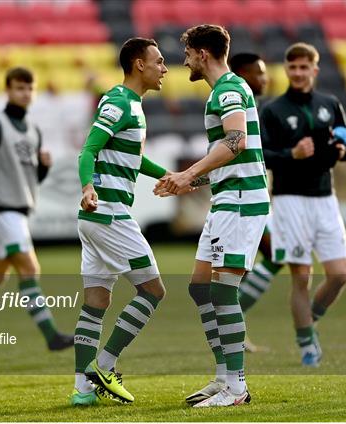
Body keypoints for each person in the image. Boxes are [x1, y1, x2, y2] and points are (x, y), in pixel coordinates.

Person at [155, 25, 269, 407]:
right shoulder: (224, 91)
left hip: (240, 201)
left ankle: (236, 388)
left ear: (203, 53)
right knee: (200, 286)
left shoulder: (230, 90)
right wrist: (187, 180)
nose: (183, 59)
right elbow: (228, 154)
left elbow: (236, 143)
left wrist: (189, 173)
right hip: (227, 197)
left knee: (222, 289)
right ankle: (223, 378)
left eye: (187, 52)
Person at [71, 37, 169, 407]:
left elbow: (133, 159)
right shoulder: (119, 102)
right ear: (139, 65)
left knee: (96, 302)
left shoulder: (133, 107)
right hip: (109, 213)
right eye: (159, 62)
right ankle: (106, 365)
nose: (164, 69)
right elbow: (89, 149)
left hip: (94, 219)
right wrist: (88, 186)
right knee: (154, 290)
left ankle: (82, 391)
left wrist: (170, 175)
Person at [0, 67, 73, 353]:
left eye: (29, 88)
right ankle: (52, 337)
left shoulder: (34, 131)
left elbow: (33, 180)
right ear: (8, 90)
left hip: (18, 210)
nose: (25, 93)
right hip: (0, 209)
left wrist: (43, 166)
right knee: (30, 268)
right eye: (19, 88)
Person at [260, 42, 346, 367]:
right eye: (292, 67)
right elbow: (262, 155)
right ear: (286, 70)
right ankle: (306, 345)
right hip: (289, 200)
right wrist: (291, 155)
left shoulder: (330, 104)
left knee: (340, 275)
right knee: (302, 276)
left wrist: (342, 150)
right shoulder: (272, 110)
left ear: (315, 69)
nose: (298, 73)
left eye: (304, 67)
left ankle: (309, 319)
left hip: (325, 198)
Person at [229, 53, 284, 354]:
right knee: (274, 254)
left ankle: (232, 324)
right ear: (242, 73)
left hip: (256, 198)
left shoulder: (253, 108)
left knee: (246, 266)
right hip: (243, 199)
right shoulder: (240, 107)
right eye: (259, 73)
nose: (265, 79)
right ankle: (231, 322)